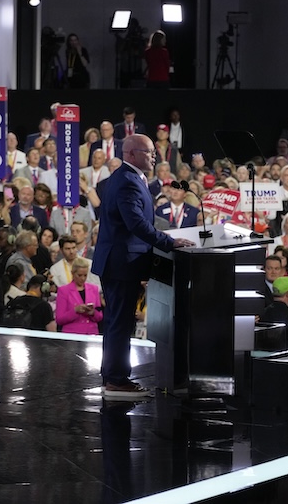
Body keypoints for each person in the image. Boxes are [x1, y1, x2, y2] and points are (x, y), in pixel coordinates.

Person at [93, 134, 194, 399]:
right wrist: (168, 242)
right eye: (148, 152)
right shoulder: (127, 181)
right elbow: (135, 223)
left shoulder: (127, 178)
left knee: (119, 321)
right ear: (131, 154)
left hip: (120, 261)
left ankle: (113, 376)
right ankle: (116, 380)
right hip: (121, 263)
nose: (154, 156)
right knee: (119, 323)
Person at [55, 259, 104, 335]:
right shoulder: (63, 291)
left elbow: (100, 316)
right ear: (73, 273)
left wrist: (93, 313)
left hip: (91, 334)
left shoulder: (94, 289)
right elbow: (59, 319)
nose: (83, 278)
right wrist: (75, 311)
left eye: (85, 275)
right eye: (80, 275)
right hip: (72, 335)